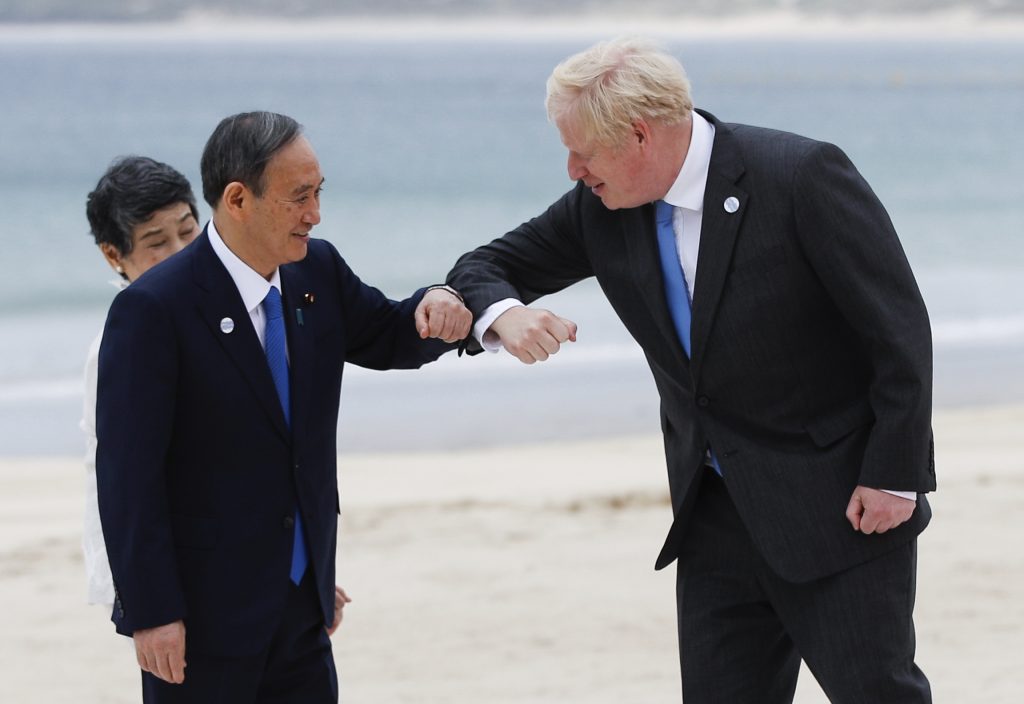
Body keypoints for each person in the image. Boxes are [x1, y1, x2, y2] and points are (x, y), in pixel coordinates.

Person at [446, 38, 935, 703]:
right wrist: (504, 313)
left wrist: (894, 475)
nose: (571, 170)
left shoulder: (799, 175)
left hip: (840, 509)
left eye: (583, 153)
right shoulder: (602, 208)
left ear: (639, 136)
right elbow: (482, 266)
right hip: (712, 524)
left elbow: (896, 328)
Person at [95, 112, 471, 703]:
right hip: (201, 625)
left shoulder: (315, 270)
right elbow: (126, 479)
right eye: (300, 197)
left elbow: (392, 332)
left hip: (302, 608)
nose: (315, 213)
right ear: (239, 199)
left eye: (319, 193)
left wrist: (451, 302)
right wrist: (152, 612)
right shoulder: (154, 308)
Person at [82, 156, 202, 609]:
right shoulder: (117, 347)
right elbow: (120, 484)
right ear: (114, 255)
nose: (181, 252)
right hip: (173, 583)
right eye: (156, 242)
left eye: (188, 231)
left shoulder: (233, 312)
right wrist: (145, 603)